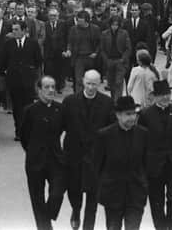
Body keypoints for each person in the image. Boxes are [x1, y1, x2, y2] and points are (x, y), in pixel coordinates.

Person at [62, 69, 114, 230]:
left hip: (96, 155)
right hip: (75, 152)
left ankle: (88, 226)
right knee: (74, 189)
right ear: (83, 82)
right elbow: (62, 125)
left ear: (100, 84)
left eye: (95, 84)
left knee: (93, 195)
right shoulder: (70, 101)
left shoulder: (107, 102)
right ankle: (76, 210)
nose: (91, 87)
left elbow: (111, 128)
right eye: (89, 83)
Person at [138, 80, 172, 230]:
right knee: (156, 201)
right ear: (154, 97)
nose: (165, 97)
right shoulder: (146, 114)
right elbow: (141, 139)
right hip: (154, 166)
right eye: (161, 95)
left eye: (167, 94)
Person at [94, 96, 149, 230]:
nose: (132, 118)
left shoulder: (143, 134)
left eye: (134, 114)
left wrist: (143, 185)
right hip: (113, 195)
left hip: (136, 195)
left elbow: (146, 163)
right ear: (118, 115)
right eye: (128, 114)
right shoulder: (104, 135)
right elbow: (97, 165)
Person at [20, 76, 66, 230]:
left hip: (55, 159)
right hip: (35, 160)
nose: (51, 90)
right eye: (46, 87)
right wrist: (34, 150)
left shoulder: (60, 109)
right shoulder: (30, 111)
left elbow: (62, 130)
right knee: (37, 198)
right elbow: (24, 136)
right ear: (39, 90)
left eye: (53, 87)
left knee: (57, 192)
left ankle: (47, 215)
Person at [0, 20, 43, 141]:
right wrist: (5, 72)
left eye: (17, 29)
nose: (14, 32)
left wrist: (30, 70)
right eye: (13, 30)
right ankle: (18, 131)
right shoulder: (8, 44)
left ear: (24, 30)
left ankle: (28, 130)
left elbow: (38, 60)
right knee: (17, 107)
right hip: (14, 81)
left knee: (28, 106)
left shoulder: (32, 44)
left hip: (28, 80)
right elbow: (3, 61)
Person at [67, 11, 101, 94]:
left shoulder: (95, 29)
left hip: (91, 57)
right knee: (79, 80)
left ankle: (90, 95)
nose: (78, 22)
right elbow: (70, 42)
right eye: (77, 20)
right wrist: (68, 50)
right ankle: (78, 98)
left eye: (80, 21)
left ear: (86, 21)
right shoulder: (73, 29)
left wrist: (96, 53)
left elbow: (99, 43)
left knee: (91, 80)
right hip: (79, 57)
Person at [100, 16, 132, 100]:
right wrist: (106, 60)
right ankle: (114, 100)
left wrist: (123, 59)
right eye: (113, 25)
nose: (115, 26)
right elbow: (102, 49)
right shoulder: (104, 34)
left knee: (119, 82)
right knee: (111, 84)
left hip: (120, 61)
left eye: (116, 25)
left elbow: (128, 48)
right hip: (109, 60)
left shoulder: (124, 33)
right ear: (110, 25)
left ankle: (118, 101)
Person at [44, 8, 68, 93]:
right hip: (49, 52)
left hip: (60, 51)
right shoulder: (45, 25)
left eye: (54, 15)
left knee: (59, 70)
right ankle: (50, 87)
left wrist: (66, 50)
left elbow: (66, 37)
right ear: (48, 16)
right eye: (51, 15)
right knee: (49, 70)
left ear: (58, 16)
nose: (53, 17)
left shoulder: (63, 24)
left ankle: (59, 87)